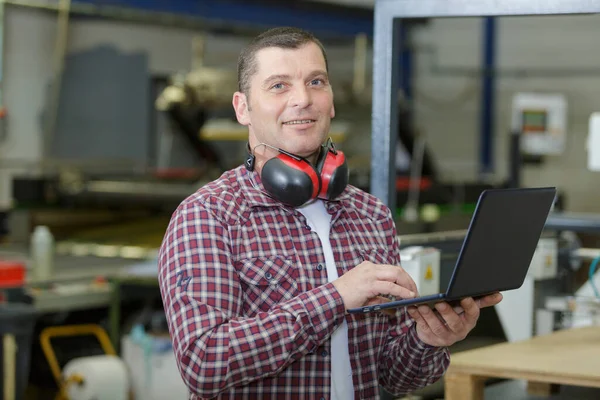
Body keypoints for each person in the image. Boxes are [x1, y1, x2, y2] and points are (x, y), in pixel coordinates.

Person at [157, 26, 503, 400]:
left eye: (316, 81)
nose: (303, 99)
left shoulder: (371, 215)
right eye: (279, 85)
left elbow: (393, 375)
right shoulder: (208, 216)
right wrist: (336, 297)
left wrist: (429, 339)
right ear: (243, 108)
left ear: (332, 101)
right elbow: (204, 363)